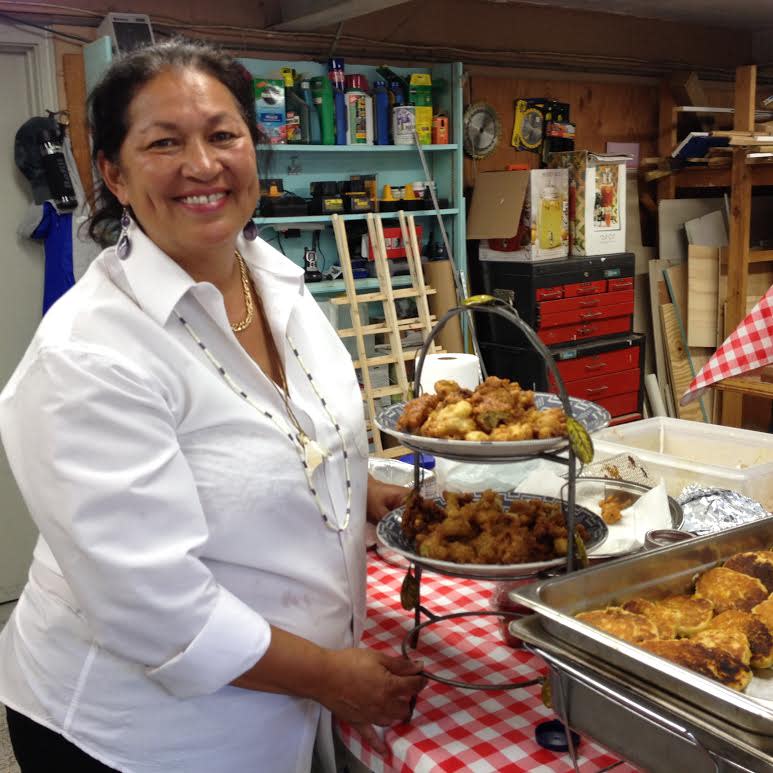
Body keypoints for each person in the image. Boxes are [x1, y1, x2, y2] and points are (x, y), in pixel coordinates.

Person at [0, 39, 426, 773]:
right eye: (164, 142)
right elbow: (155, 607)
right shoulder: (90, 353)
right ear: (115, 174)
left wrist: (368, 494)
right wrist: (328, 676)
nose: (202, 165)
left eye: (222, 135)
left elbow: (297, 441)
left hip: (281, 696)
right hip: (142, 734)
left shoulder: (276, 282)